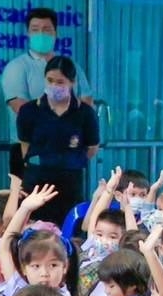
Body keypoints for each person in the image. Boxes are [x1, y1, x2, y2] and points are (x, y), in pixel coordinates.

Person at [14, 56, 100, 228]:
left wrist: (70, 161)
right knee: (34, 230)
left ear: (72, 82)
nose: (54, 86)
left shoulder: (85, 113)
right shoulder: (29, 111)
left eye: (60, 82)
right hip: (37, 180)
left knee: (69, 228)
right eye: (50, 80)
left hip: (70, 182)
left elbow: (92, 148)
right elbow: (25, 147)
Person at [0, 8, 93, 114]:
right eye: (35, 30)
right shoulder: (15, 67)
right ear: (28, 33)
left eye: (46, 29)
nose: (41, 34)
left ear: (56, 33)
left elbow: (87, 102)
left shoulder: (72, 66)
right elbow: (21, 108)